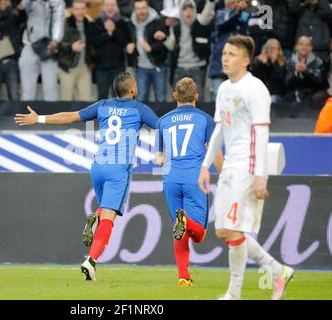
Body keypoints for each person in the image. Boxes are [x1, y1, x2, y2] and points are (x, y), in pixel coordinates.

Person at [13, 72, 159, 281]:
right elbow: (163, 126)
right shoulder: (140, 109)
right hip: (118, 169)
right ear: (133, 89)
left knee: (104, 211)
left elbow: (70, 116)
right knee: (110, 218)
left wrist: (39, 118)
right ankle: (91, 261)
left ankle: (95, 218)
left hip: (98, 167)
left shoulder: (103, 105)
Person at [198, 35, 294, 300]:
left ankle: (234, 293)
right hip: (229, 166)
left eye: (231, 54)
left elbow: (262, 134)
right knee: (224, 231)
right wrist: (206, 166)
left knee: (233, 230)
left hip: (248, 168)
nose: (225, 58)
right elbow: (220, 128)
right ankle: (278, 271)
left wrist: (260, 175)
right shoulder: (225, 89)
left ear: (246, 60)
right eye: (224, 53)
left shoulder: (256, 89)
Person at [155, 77, 223, 287]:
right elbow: (215, 152)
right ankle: (185, 223)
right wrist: (226, 176)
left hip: (171, 180)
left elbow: (158, 159)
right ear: (197, 97)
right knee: (199, 234)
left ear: (174, 96)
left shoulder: (163, 121)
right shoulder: (205, 120)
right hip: (194, 178)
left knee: (180, 228)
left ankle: (183, 277)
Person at [18, 0, 65, 101]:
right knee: (27, 90)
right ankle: (26, 116)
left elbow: (58, 21)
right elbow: (20, 7)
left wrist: (55, 40)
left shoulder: (58, 2)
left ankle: (51, 116)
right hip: (29, 45)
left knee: (51, 89)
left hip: (49, 47)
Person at [171, 0, 215, 101]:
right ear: (181, 11)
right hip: (180, 68)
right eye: (185, 9)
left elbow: (207, 14)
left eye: (191, 8)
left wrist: (211, 2)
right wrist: (164, 39)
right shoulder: (176, 27)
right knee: (177, 100)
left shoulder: (199, 22)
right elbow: (171, 45)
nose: (188, 12)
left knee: (198, 100)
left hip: (197, 68)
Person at [89, 0, 132, 99]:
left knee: (119, 96)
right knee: (102, 96)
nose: (110, 7)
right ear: (103, 7)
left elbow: (126, 42)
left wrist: (114, 31)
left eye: (113, 5)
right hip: (101, 67)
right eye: (107, 5)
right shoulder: (96, 22)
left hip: (118, 66)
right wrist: (108, 33)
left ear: (117, 7)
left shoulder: (123, 22)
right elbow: (93, 42)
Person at [127, 0, 169, 102]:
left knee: (160, 98)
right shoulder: (131, 23)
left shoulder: (158, 21)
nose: (141, 11)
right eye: (138, 8)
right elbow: (127, 40)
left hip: (158, 66)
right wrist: (127, 47)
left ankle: (161, 118)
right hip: (140, 68)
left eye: (143, 8)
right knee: (141, 98)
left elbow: (165, 44)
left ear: (148, 8)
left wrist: (151, 48)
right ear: (134, 10)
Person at [208, 0, 249, 101]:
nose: (234, 2)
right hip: (220, 67)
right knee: (218, 99)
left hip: (236, 67)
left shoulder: (240, 15)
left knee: (236, 101)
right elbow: (225, 21)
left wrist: (244, 10)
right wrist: (238, 10)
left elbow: (245, 28)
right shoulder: (220, 13)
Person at [0, 0, 24, 101]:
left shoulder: (15, 15)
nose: (3, 2)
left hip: (11, 61)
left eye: (5, 0)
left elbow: (22, 21)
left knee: (14, 97)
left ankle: (17, 117)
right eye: (0, 0)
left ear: (10, 2)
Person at [57, 0, 94, 101]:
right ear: (72, 10)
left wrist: (91, 63)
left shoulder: (89, 24)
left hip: (84, 69)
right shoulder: (65, 24)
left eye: (82, 9)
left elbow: (93, 46)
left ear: (86, 10)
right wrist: (71, 47)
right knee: (66, 101)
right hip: (67, 68)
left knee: (86, 101)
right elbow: (57, 44)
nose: (80, 12)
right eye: (77, 9)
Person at [284, 36, 327, 115]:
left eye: (307, 45)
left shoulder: (318, 62)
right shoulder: (289, 62)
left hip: (313, 97)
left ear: (311, 48)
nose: (304, 47)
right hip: (293, 96)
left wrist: (306, 71)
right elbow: (286, 83)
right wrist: (295, 73)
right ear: (296, 47)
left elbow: (320, 82)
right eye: (301, 44)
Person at [250, 38, 287, 103]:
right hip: (260, 93)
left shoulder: (283, 62)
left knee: (270, 100)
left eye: (274, 48)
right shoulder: (258, 61)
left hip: (276, 94)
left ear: (279, 50)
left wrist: (273, 63)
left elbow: (281, 79)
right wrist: (261, 64)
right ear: (266, 49)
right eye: (269, 48)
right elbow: (255, 78)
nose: (271, 50)